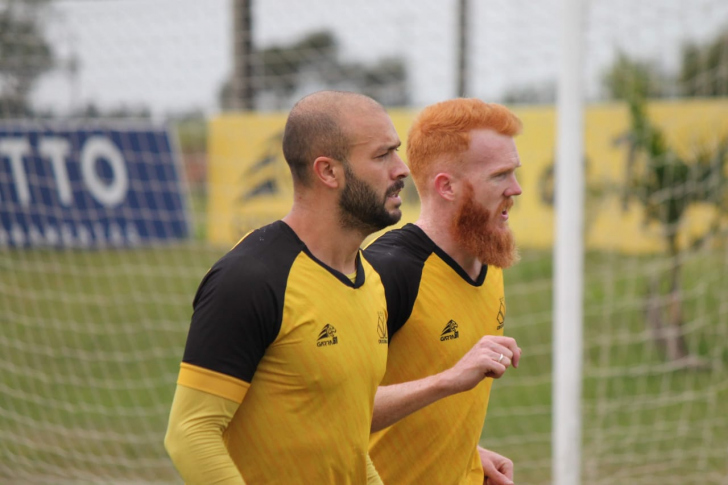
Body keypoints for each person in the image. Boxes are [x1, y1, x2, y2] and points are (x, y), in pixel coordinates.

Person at [164, 90, 409, 484]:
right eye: (383, 156)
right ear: (328, 172)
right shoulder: (250, 278)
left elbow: (343, 442)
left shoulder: (371, 281)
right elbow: (190, 433)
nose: (401, 169)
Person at [365, 98, 524, 485]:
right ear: (446, 186)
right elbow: (332, 413)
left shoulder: (489, 258)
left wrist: (464, 452)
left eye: (514, 173)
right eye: (500, 176)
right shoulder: (387, 272)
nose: (516, 190)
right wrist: (450, 378)